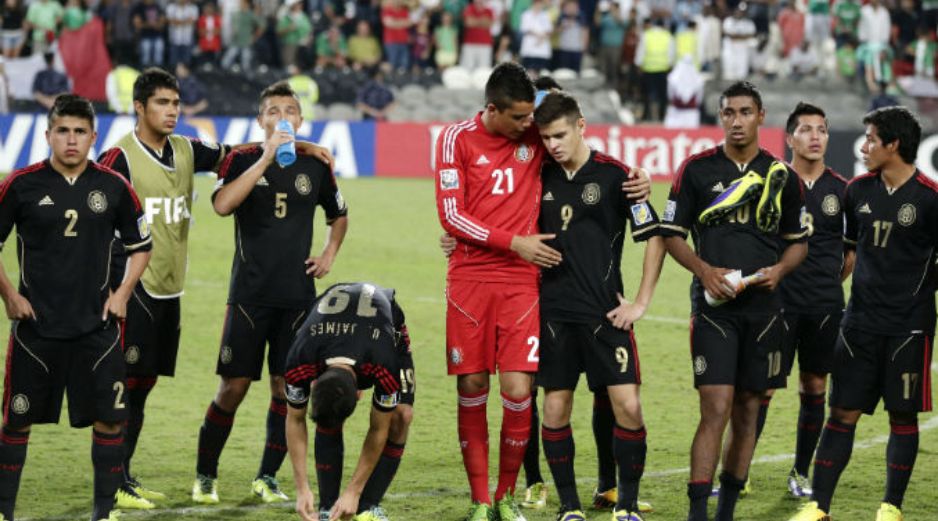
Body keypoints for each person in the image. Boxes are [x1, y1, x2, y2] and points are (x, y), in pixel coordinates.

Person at [95, 67, 333, 510]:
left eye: (176, 103)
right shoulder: (119, 157)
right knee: (122, 385)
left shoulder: (187, 149)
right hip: (131, 285)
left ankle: (124, 475)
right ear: (140, 107)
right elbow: (91, 199)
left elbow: (243, 151)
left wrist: (301, 146)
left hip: (170, 288)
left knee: (142, 385)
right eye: (163, 103)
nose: (172, 111)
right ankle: (113, 483)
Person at [435, 62, 650, 521]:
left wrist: (639, 181)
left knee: (520, 391)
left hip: (524, 284)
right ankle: (481, 500)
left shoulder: (537, 137)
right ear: (492, 109)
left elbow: (575, 140)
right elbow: (451, 216)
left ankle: (510, 493)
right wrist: (510, 241)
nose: (532, 129)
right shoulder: (456, 139)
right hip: (475, 279)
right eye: (519, 118)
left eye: (533, 119)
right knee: (476, 386)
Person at [191, 80, 348, 506]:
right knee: (233, 388)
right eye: (274, 111)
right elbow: (223, 205)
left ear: (301, 119)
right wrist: (263, 157)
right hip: (248, 295)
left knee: (286, 391)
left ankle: (267, 477)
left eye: (290, 111)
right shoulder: (242, 158)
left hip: (297, 298)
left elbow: (339, 214)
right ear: (260, 120)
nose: (283, 117)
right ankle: (206, 475)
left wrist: (330, 251)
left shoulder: (316, 166)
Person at [657, 80, 807, 521]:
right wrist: (704, 270)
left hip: (763, 312)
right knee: (715, 407)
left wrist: (780, 270)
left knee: (747, 411)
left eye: (745, 112)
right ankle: (697, 513)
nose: (736, 121)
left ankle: (724, 512)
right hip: (713, 311)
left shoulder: (783, 176)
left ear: (761, 116)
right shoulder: (696, 170)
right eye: (728, 113)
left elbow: (798, 242)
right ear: (720, 117)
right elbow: (670, 236)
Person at [0, 94, 153, 521]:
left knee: (109, 421)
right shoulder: (21, 185)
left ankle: (103, 514)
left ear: (93, 137)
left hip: (97, 330)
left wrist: (122, 294)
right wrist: (10, 296)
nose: (71, 140)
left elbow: (142, 246)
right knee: (16, 422)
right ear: (48, 135)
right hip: (36, 330)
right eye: (63, 131)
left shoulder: (114, 187)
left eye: (80, 132)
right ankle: (3, 512)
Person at [789, 106, 936, 521]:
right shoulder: (857, 192)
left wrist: (918, 290)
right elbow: (849, 251)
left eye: (871, 138)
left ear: (893, 145)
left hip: (910, 327)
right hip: (858, 324)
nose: (863, 145)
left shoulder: (930, 199)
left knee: (902, 415)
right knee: (841, 414)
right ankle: (819, 506)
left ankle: (891, 506)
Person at [533, 91, 666, 521]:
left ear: (581, 126)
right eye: (546, 137)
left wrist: (642, 302)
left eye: (559, 135)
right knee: (555, 409)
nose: (552, 144)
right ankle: (569, 507)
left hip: (605, 314)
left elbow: (655, 236)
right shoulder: (537, 176)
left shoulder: (618, 176)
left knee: (628, 406)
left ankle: (625, 506)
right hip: (552, 313)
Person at [744, 102, 853, 499]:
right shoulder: (771, 181)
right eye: (806, 130)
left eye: (821, 130)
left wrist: (825, 284)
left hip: (824, 307)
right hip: (777, 304)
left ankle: (800, 472)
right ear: (789, 137)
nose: (816, 137)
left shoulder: (843, 190)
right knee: (762, 390)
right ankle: (741, 472)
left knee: (814, 386)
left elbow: (850, 253)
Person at [284, 283, 414, 521]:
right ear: (314, 381)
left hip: (384, 329)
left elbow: (378, 428)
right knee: (329, 413)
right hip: (330, 328)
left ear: (358, 393)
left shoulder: (383, 363)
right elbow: (295, 418)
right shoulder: (300, 359)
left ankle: (368, 504)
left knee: (400, 417)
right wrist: (301, 489)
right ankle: (328, 505)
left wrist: (353, 490)